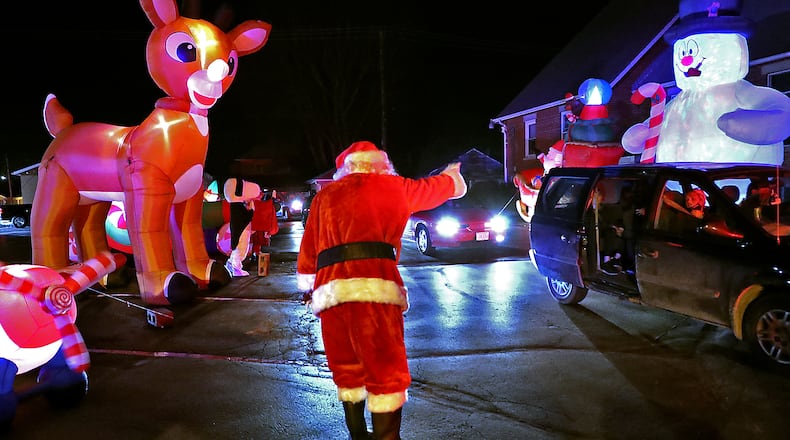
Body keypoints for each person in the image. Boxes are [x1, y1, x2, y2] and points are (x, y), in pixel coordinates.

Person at [296, 141, 466, 440]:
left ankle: (358, 435)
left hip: (331, 291)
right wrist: (452, 177)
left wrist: (308, 286)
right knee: (385, 369)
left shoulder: (325, 196)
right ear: (380, 164)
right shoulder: (393, 186)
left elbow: (309, 246)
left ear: (344, 167)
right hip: (376, 285)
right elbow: (432, 189)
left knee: (348, 369)